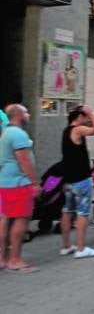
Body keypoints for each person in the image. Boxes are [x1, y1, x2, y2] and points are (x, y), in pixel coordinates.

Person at [0, 104, 40, 273]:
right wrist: (34, 183)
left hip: (6, 181)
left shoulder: (6, 133)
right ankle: (15, 260)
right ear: (17, 115)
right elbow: (24, 160)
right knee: (21, 219)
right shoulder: (18, 134)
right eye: (26, 112)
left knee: (6, 219)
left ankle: (3, 259)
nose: (29, 114)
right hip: (19, 183)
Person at [59, 105, 94, 259]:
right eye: (85, 117)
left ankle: (66, 246)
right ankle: (81, 248)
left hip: (69, 179)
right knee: (82, 213)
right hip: (81, 180)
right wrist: (91, 112)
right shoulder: (77, 129)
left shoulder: (66, 131)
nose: (87, 120)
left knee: (66, 211)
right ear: (79, 117)